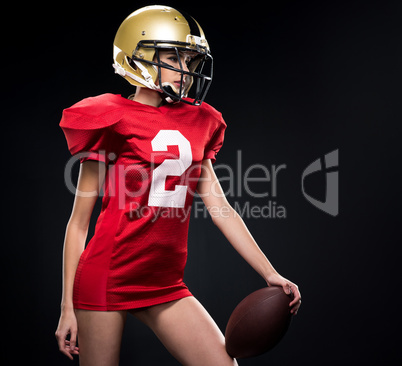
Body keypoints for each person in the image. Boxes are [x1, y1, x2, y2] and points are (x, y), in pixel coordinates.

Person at [55, 5, 301, 366]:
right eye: (173, 58)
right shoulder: (111, 118)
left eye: (189, 61)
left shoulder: (198, 121)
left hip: (165, 283)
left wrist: (270, 273)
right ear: (136, 59)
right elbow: (79, 223)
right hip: (107, 276)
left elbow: (222, 209)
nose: (184, 71)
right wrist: (67, 307)